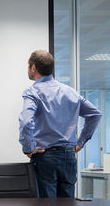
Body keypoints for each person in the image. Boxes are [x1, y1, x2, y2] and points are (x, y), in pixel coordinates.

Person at [19, 50, 102, 198]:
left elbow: (26, 122)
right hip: (68, 158)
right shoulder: (70, 92)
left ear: (33, 68)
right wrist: (80, 142)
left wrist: (28, 148)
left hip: (45, 159)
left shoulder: (33, 92)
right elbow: (95, 114)